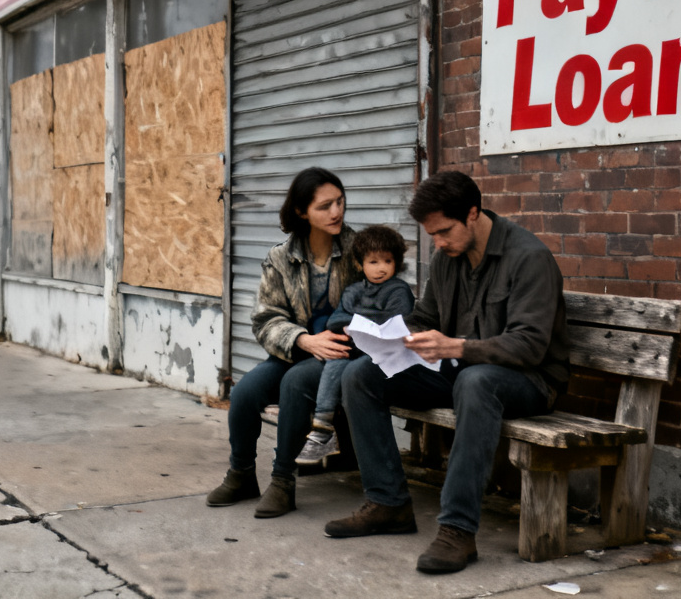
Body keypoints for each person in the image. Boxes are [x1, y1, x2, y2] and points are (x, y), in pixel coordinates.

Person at [325, 170, 570, 574]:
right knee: (361, 375)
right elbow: (425, 317)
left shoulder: (529, 258)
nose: (437, 243)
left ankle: (458, 530)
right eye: (431, 235)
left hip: (528, 382)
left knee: (477, 382)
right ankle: (388, 503)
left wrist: (456, 347)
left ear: (472, 214)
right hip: (460, 371)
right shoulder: (447, 258)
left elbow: (529, 346)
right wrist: (398, 339)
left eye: (443, 232)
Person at [206, 167, 359, 518]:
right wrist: (304, 340)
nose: (336, 212)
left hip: (342, 356)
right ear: (302, 212)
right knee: (245, 393)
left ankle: (283, 481)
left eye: (340, 202)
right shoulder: (280, 257)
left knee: (295, 383)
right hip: (299, 349)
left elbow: (381, 297)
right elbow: (265, 318)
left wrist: (340, 339)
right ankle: (241, 474)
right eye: (325, 206)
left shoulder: (358, 249)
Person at [295, 224, 415, 466]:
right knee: (337, 356)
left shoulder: (398, 290)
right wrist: (358, 323)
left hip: (385, 357)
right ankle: (322, 428)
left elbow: (396, 322)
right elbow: (335, 320)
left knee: (350, 364)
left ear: (397, 263)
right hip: (354, 350)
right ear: (361, 264)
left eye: (387, 261)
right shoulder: (353, 291)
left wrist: (358, 321)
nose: (381, 268)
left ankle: (322, 430)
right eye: (373, 262)